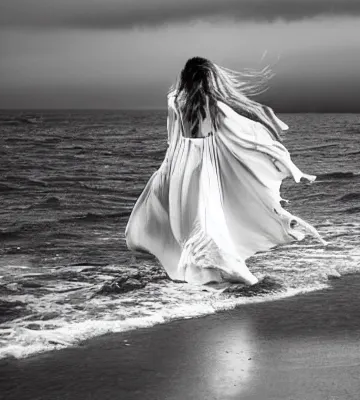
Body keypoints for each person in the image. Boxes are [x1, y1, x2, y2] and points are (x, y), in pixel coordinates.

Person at [125, 57, 326, 285]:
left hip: (180, 164)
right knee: (206, 219)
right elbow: (247, 139)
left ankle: (202, 272)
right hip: (203, 165)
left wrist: (166, 170)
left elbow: (172, 139)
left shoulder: (174, 100)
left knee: (188, 221)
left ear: (185, 76)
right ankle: (227, 270)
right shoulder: (213, 105)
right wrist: (291, 167)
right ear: (208, 78)